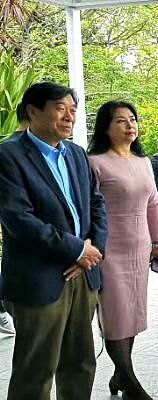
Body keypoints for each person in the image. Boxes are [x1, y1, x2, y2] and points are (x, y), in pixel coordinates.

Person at [0, 82, 108, 399]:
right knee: (36, 369)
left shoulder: (76, 153)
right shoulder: (8, 155)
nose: (69, 116)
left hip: (83, 275)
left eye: (73, 109)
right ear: (33, 111)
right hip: (40, 276)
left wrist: (92, 251)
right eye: (60, 108)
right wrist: (76, 250)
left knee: (80, 362)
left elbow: (97, 205)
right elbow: (19, 219)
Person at [88, 100, 158, 400]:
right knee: (116, 315)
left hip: (140, 248)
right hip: (108, 250)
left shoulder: (143, 161)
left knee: (132, 313)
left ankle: (121, 374)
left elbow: (153, 203)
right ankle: (131, 383)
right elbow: (88, 208)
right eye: (120, 120)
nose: (129, 125)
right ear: (105, 127)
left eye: (132, 119)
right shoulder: (94, 162)